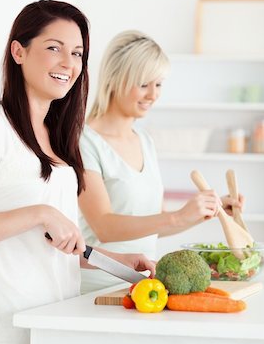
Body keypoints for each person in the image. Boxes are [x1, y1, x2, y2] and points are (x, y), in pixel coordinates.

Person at [0, 1, 155, 344]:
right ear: (18, 51)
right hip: (0, 341)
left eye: (77, 53)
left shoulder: (58, 140)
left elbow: (42, 243)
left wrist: (109, 261)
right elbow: (37, 221)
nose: (68, 63)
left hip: (52, 333)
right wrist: (39, 213)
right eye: (53, 48)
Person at [78, 30, 244, 294]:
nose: (153, 95)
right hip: (96, 291)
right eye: (143, 84)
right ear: (115, 79)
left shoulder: (144, 140)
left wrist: (206, 212)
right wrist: (178, 217)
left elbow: (154, 226)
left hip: (144, 287)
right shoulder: (84, 141)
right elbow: (104, 227)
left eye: (159, 84)